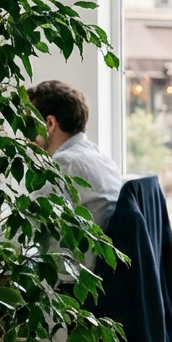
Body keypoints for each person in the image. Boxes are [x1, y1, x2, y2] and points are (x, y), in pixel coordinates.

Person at [26, 80, 122, 232]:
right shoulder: (102, 159)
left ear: (50, 124)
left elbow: (29, 227)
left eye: (28, 123)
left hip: (76, 255)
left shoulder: (64, 164)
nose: (25, 135)